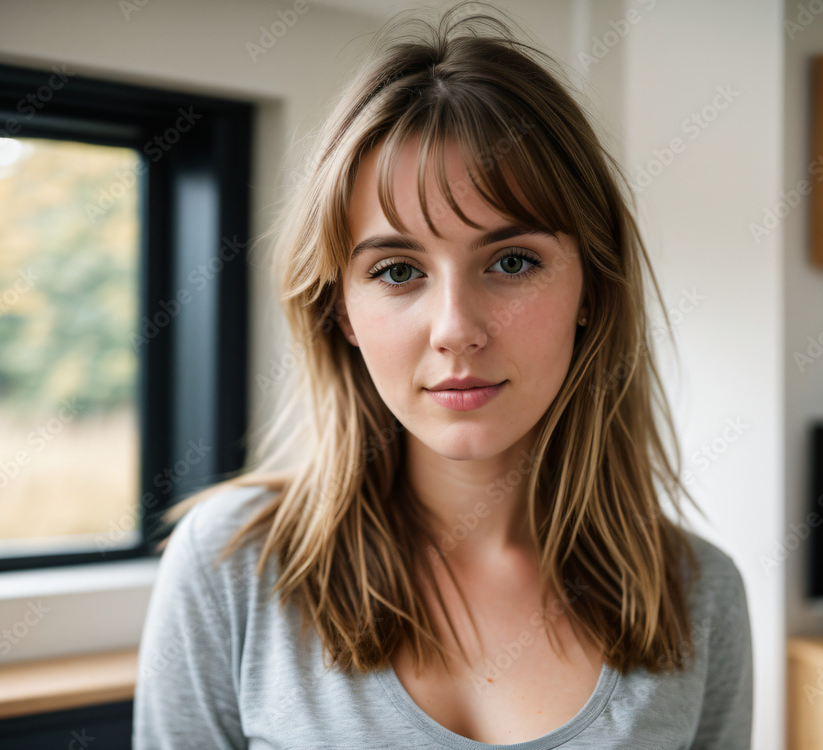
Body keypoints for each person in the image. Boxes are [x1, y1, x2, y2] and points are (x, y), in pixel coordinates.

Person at [132, 3, 754, 748]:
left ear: (589, 289)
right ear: (340, 311)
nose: (456, 327)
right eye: (397, 270)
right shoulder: (228, 567)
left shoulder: (700, 593)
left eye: (513, 261)